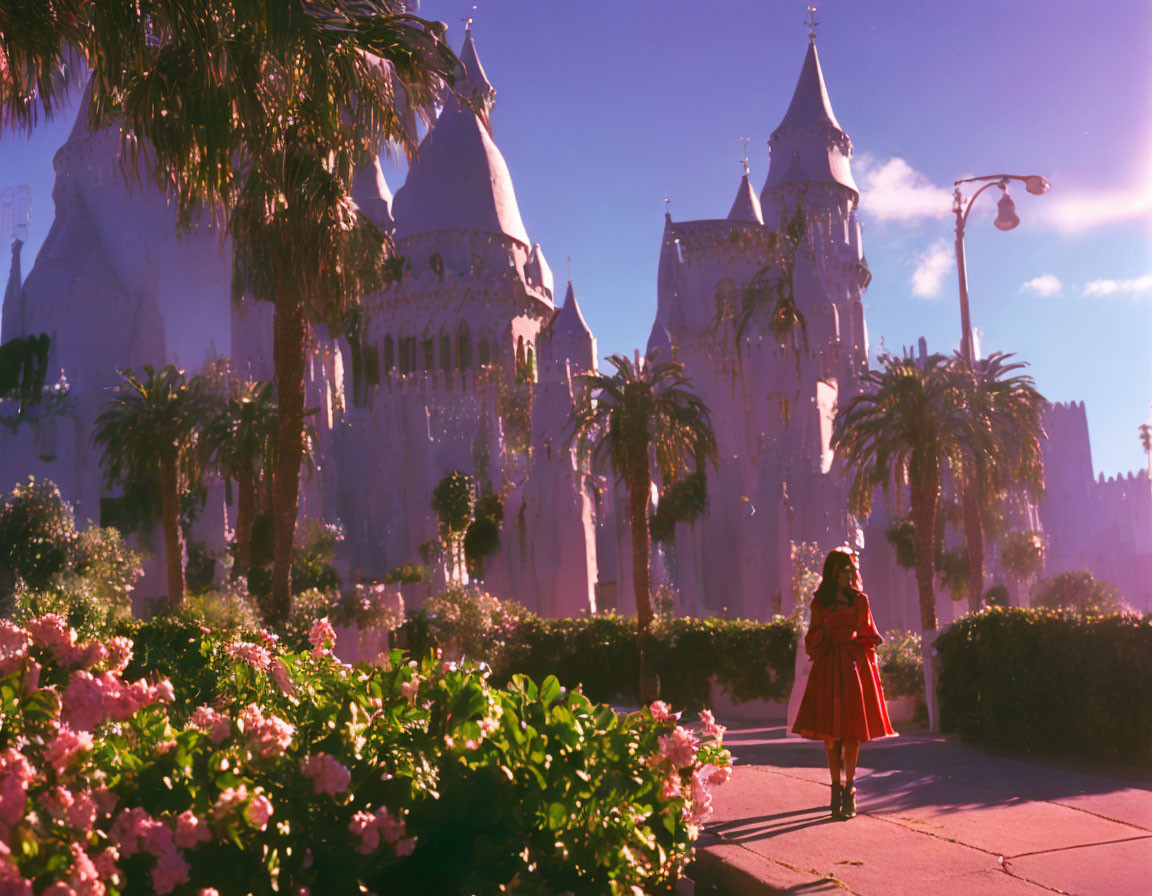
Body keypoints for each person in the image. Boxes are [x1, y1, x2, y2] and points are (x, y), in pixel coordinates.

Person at [792, 547, 895, 820]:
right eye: (843, 569)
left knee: (851, 733)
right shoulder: (819, 601)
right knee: (830, 737)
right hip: (827, 667)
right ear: (833, 572)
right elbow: (811, 637)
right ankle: (835, 788)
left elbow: (867, 637)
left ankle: (849, 790)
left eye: (851, 569)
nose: (848, 574)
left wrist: (865, 665)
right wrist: (826, 636)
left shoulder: (860, 601)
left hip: (851, 668)